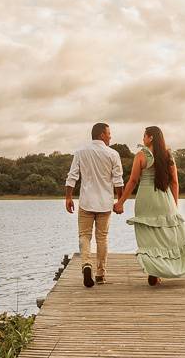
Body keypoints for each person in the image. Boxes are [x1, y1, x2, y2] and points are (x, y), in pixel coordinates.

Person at [113, 126, 185, 285]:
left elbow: (133, 181)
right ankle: (168, 268)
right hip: (165, 198)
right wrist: (174, 204)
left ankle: (154, 269)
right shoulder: (167, 156)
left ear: (150, 138)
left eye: (144, 136)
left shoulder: (141, 156)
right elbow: (175, 182)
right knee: (169, 238)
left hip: (145, 199)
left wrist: (120, 202)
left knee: (149, 238)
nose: (143, 139)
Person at [65, 122, 124, 287]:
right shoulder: (113, 154)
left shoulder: (80, 152)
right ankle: (100, 274)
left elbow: (72, 177)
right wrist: (119, 201)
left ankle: (86, 264)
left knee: (84, 235)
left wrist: (68, 198)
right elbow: (118, 180)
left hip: (86, 202)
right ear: (101, 135)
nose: (110, 136)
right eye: (109, 133)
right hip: (105, 204)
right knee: (102, 238)